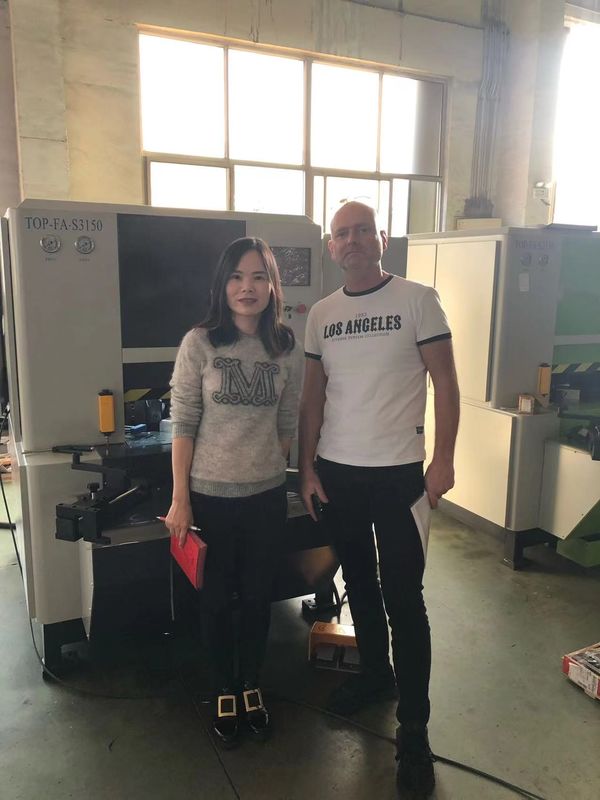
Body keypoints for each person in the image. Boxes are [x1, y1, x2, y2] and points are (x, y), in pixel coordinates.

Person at [299, 202, 459, 799]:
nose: (353, 241)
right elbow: (313, 397)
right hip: (338, 474)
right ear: (331, 247)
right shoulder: (322, 314)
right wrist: (307, 467)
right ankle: (374, 675)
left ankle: (413, 731)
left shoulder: (418, 300)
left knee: (404, 598)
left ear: (381, 239)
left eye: (363, 230)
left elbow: (446, 382)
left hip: (398, 477)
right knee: (359, 584)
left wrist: (442, 460)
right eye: (342, 234)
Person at [165, 237, 302, 748]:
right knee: (218, 601)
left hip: (265, 498)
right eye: (237, 277)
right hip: (210, 498)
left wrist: (266, 465)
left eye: (259, 277)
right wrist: (181, 498)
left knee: (259, 598)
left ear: (273, 286)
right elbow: (184, 424)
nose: (248, 288)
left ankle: (251, 686)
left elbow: (286, 423)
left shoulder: (284, 346)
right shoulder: (199, 343)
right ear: (223, 285)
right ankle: (224, 687)